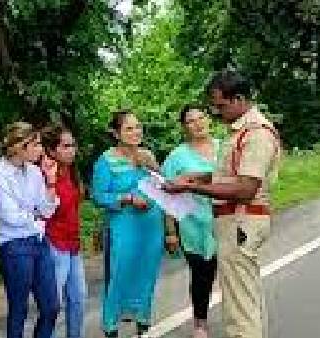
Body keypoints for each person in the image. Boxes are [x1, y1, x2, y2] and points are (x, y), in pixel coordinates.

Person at [164, 70, 281, 338]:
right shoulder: (238, 131)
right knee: (241, 298)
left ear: (238, 99)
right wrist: (197, 177)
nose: (216, 113)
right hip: (232, 222)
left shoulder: (256, 133)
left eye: (220, 106)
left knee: (241, 306)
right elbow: (229, 174)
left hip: (241, 219)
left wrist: (191, 186)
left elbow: (245, 188)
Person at [91, 111, 164, 337]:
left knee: (148, 272)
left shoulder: (147, 156)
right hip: (123, 225)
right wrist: (127, 198)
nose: (136, 132)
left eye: (138, 127)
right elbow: (98, 195)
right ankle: (111, 324)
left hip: (152, 224)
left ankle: (143, 317)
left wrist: (156, 170)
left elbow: (161, 187)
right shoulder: (106, 161)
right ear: (116, 133)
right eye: (129, 129)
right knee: (120, 273)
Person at [0, 122, 60, 338]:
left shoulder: (35, 172)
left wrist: (50, 182)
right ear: (20, 146)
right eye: (36, 144)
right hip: (13, 245)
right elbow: (9, 216)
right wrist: (35, 217)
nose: (41, 149)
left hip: (39, 241)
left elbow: (47, 211)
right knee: (18, 309)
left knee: (51, 306)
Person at [161, 105, 219, 338]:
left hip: (224, 220)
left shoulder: (223, 148)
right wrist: (171, 231)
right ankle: (200, 324)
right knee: (201, 275)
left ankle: (239, 316)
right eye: (191, 121)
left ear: (208, 120)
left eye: (201, 118)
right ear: (185, 127)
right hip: (193, 224)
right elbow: (166, 194)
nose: (198, 124)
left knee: (230, 272)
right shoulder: (177, 156)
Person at [41, 125, 87, 338]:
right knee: (53, 304)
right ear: (51, 150)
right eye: (65, 146)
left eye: (73, 145)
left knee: (79, 298)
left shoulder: (71, 172)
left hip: (73, 244)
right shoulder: (44, 174)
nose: (72, 150)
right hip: (54, 243)